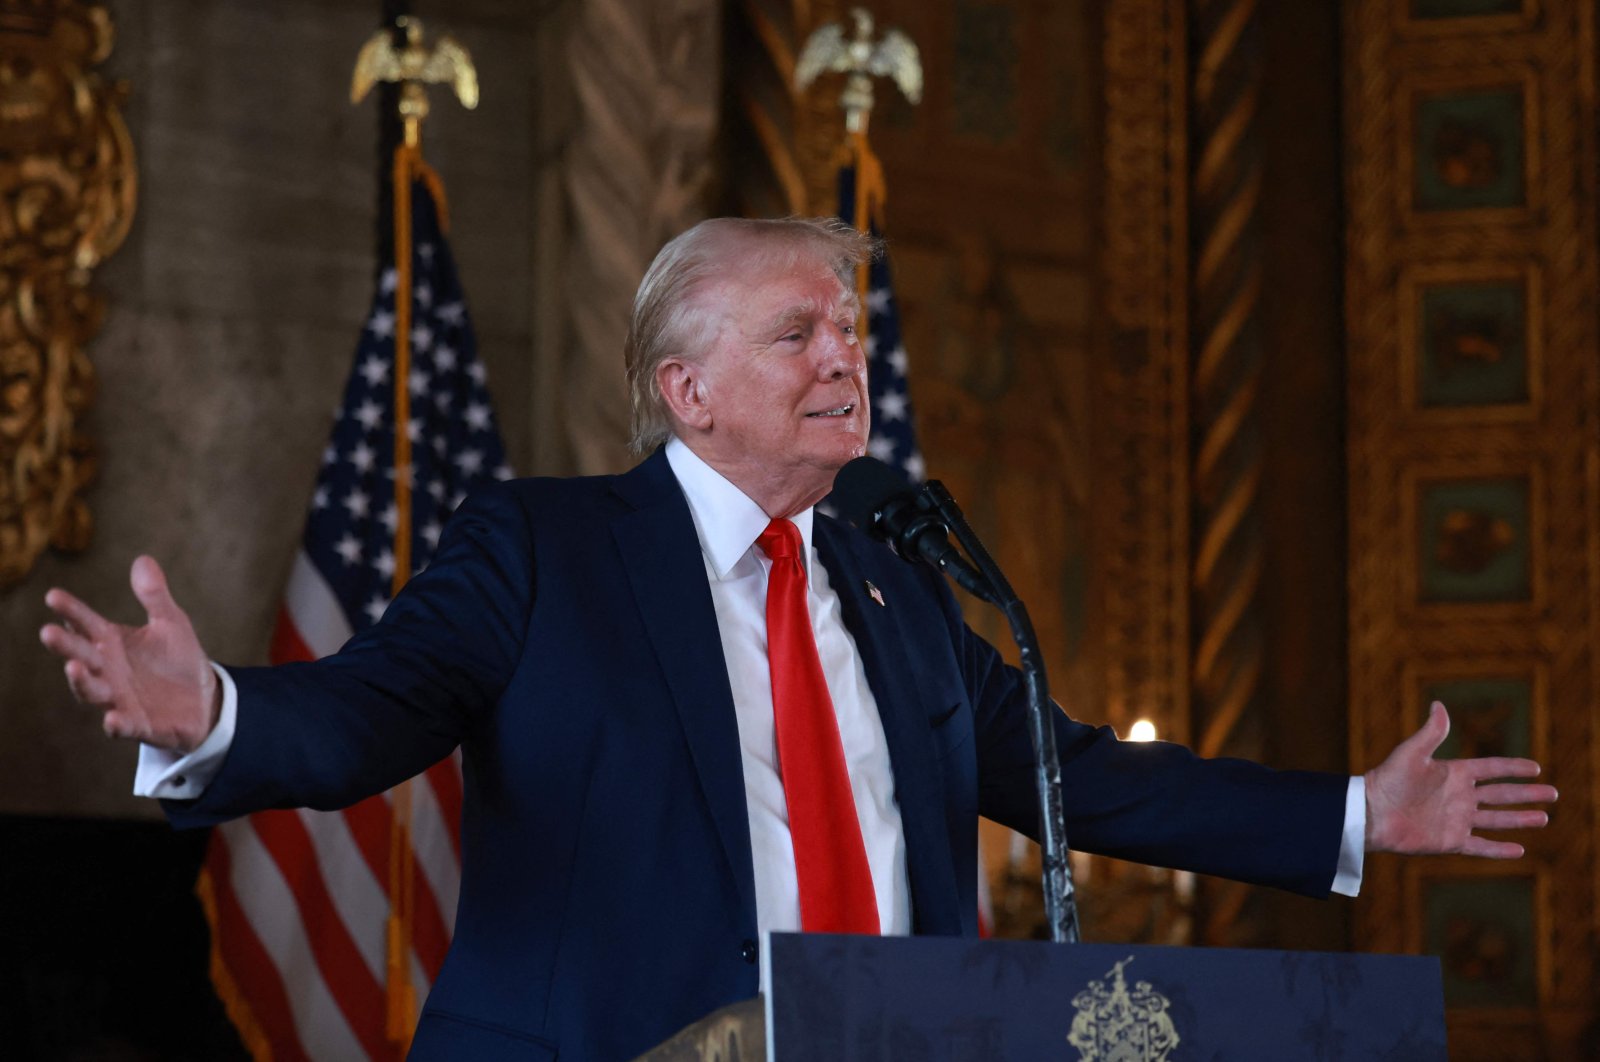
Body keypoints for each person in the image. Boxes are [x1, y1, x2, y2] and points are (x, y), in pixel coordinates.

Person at [40, 217, 1555, 1062]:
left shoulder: (896, 583)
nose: (847, 355)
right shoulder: (547, 547)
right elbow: (379, 710)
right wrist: (214, 712)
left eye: (851, 329)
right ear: (685, 390)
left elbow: (1074, 774)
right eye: (800, 334)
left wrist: (1358, 813)